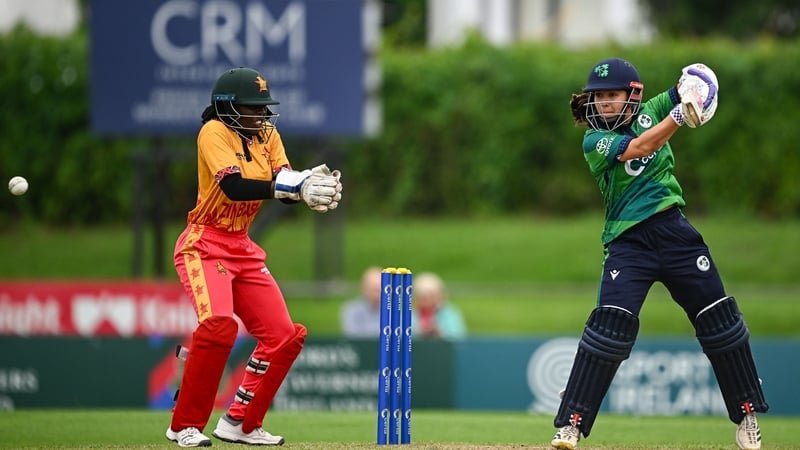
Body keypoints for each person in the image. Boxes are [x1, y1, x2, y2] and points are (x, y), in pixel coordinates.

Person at [550, 58, 768, 450]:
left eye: (612, 96)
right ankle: (571, 426)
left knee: (720, 322)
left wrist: (697, 88)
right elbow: (641, 146)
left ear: (632, 95)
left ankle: (748, 415)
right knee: (608, 331)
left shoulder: (653, 110)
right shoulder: (593, 139)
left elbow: (692, 81)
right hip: (628, 243)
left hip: (675, 233)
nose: (603, 104)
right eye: (598, 97)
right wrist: (681, 120)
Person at [165, 67, 343, 448]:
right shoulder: (212, 132)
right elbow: (233, 187)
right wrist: (289, 188)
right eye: (253, 108)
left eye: (264, 108)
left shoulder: (267, 135)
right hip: (204, 243)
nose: (261, 116)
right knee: (218, 325)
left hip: (242, 246)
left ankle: (241, 423)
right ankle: (184, 425)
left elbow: (283, 177)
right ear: (228, 107)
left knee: (283, 337)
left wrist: (307, 185)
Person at [412, 271, 467, 340]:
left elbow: (459, 337)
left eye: (431, 296)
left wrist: (439, 332)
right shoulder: (409, 314)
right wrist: (419, 333)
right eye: (423, 297)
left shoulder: (450, 313)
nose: (428, 301)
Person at [340, 266, 384, 337]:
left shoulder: (393, 312)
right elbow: (351, 335)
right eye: (374, 289)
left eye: (379, 289)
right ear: (364, 288)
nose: (376, 293)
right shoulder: (350, 309)